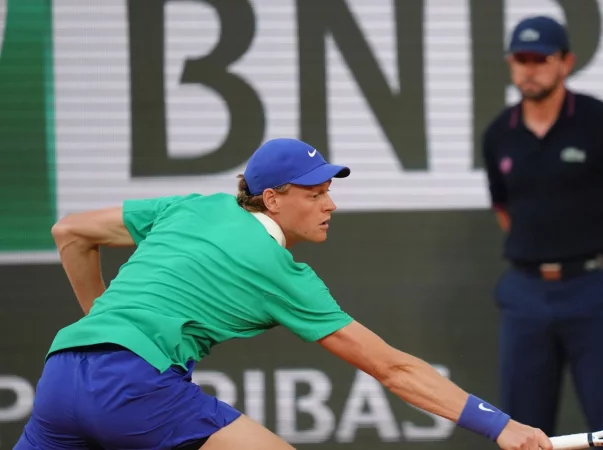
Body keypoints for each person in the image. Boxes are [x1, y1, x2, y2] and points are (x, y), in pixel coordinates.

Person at [14, 138, 552, 450]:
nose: (329, 205)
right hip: (134, 389)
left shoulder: (194, 206)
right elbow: (393, 369)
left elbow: (71, 232)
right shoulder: (279, 272)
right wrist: (500, 426)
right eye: (314, 194)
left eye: (329, 192)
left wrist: (103, 322)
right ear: (272, 199)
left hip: (62, 376)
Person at [480, 16, 603, 442]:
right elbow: (506, 210)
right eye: (520, 59)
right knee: (522, 433)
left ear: (566, 62)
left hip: (595, 289)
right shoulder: (497, 136)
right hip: (524, 295)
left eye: (541, 58)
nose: (530, 68)